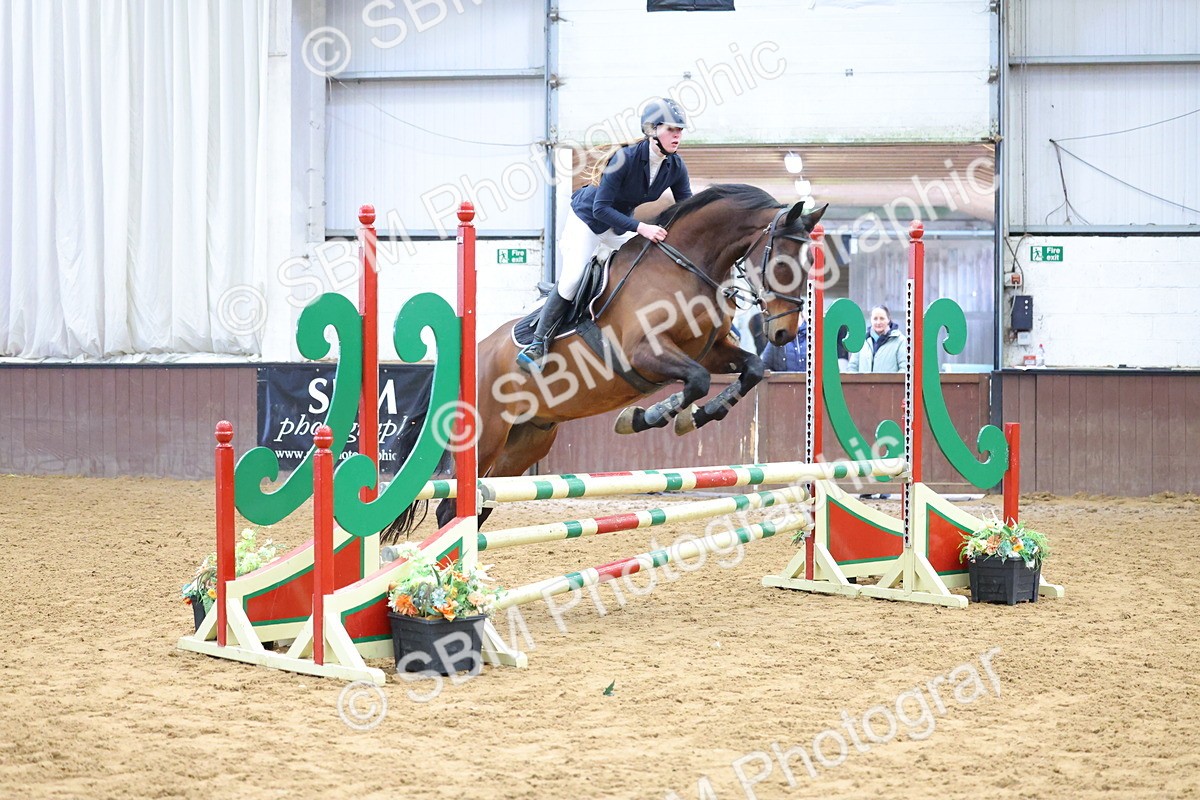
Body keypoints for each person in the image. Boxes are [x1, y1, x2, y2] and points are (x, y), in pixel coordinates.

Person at [517, 97, 693, 372]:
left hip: (619, 225)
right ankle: (538, 343)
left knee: (640, 267)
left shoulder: (676, 167)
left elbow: (687, 209)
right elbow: (601, 209)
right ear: (652, 130)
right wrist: (643, 228)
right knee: (573, 277)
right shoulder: (624, 159)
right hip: (588, 219)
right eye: (671, 129)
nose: (677, 135)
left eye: (680, 130)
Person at [846, 305, 905, 373]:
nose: (878, 322)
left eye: (882, 318)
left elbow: (904, 369)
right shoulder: (861, 341)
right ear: (871, 320)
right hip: (864, 383)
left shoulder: (900, 341)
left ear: (888, 320)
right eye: (875, 318)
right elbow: (852, 367)